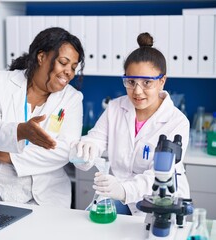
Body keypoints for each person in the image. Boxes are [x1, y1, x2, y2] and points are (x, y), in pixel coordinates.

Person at [0, 27, 85, 208]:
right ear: (41, 56)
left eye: (73, 67)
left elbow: (64, 150)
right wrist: (20, 131)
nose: (69, 72)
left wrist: (9, 156)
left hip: (41, 200)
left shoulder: (72, 99)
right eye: (63, 62)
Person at [72, 32, 190, 215]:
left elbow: (159, 175)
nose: (137, 91)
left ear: (162, 81)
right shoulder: (115, 108)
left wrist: (124, 190)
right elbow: (96, 140)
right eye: (131, 81)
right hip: (119, 198)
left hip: (159, 202)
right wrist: (87, 149)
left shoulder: (177, 122)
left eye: (146, 83)